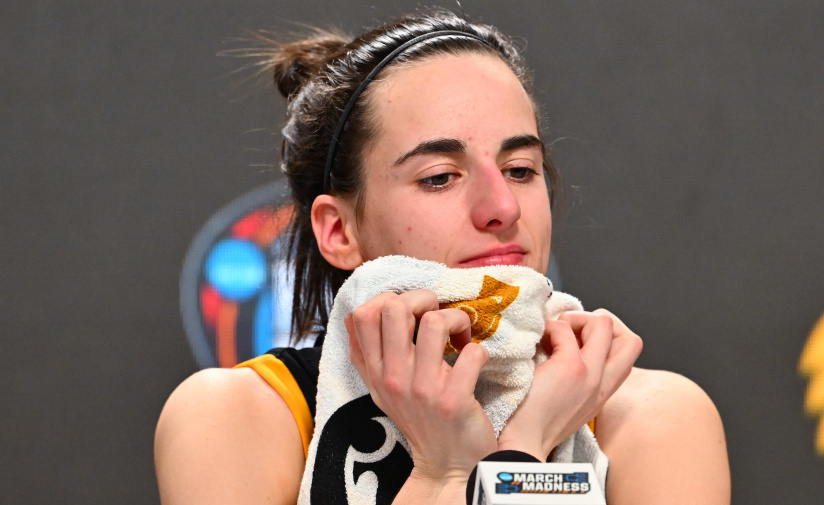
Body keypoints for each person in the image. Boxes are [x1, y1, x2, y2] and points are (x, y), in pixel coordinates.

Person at [155, 10, 730, 505]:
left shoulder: (651, 418)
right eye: (439, 178)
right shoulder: (237, 419)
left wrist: (518, 448)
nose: (501, 206)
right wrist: (448, 471)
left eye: (521, 170)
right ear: (339, 231)